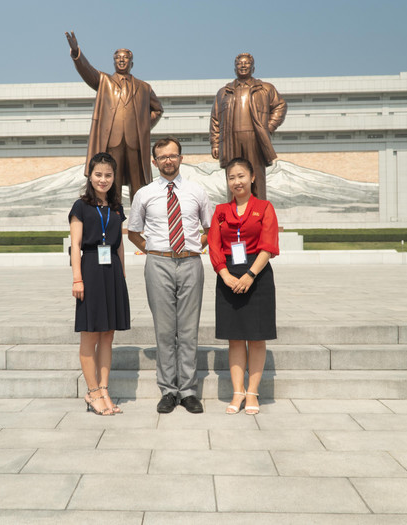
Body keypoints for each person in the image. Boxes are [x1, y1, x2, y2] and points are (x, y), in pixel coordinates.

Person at [128, 137, 214, 414]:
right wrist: (154, 251)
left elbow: (210, 228)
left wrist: (192, 248)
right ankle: (168, 389)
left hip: (190, 263)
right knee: (165, 331)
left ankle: (188, 391)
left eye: (173, 155)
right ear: (154, 161)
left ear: (181, 158)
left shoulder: (196, 191)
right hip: (159, 264)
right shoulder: (144, 194)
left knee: (188, 330)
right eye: (162, 156)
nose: (168, 160)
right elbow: (133, 232)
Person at [208, 157, 279, 415]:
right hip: (228, 275)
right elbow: (214, 246)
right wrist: (225, 275)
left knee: (256, 338)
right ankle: (237, 392)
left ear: (252, 177)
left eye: (240, 176)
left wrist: (249, 274)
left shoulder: (265, 207)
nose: (236, 181)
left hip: (257, 275)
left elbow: (268, 245)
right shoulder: (220, 211)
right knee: (235, 338)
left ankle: (252, 392)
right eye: (231, 177)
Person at [65, 31, 164, 200]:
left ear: (132, 62)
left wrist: (143, 125)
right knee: (112, 181)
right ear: (113, 62)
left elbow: (158, 110)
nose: (121, 60)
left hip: (135, 143)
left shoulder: (144, 88)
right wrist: (76, 54)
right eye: (118, 58)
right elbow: (86, 70)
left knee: (138, 184)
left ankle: (139, 220)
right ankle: (113, 217)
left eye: (125, 58)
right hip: (112, 140)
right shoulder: (104, 81)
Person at [70, 152, 130, 416]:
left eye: (108, 175)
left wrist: (123, 277)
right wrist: (77, 278)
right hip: (91, 269)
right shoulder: (81, 206)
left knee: (108, 335)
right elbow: (74, 246)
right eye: (98, 174)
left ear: (114, 177)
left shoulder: (116, 208)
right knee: (90, 335)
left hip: (113, 273)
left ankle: (104, 389)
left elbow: (119, 246)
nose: (103, 179)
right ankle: (92, 392)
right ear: (90, 175)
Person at [210, 53, 287, 200]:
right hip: (230, 140)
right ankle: (234, 212)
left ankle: (259, 213)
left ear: (253, 68)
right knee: (234, 176)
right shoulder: (223, 92)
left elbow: (280, 106)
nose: (243, 66)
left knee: (256, 176)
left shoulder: (265, 88)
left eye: (246, 63)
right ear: (235, 68)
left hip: (255, 138)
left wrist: (268, 127)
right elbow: (215, 119)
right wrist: (215, 143)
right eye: (240, 63)